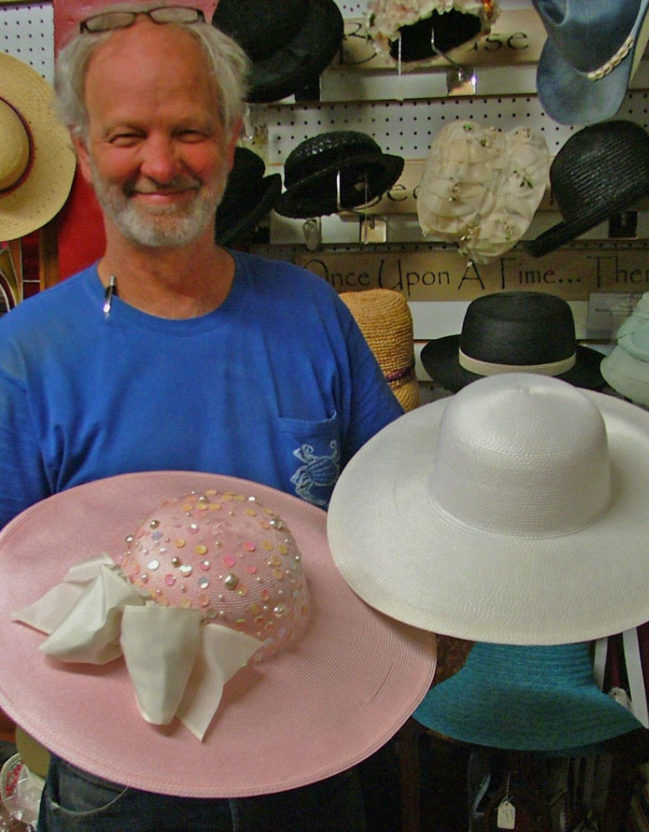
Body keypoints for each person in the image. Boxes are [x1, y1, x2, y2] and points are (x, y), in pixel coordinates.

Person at [0, 5, 404, 830]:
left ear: (232, 136)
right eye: (126, 135)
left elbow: (391, 520)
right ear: (81, 149)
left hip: (315, 756)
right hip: (116, 782)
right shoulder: (25, 353)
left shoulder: (312, 315)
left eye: (189, 129)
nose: (160, 162)